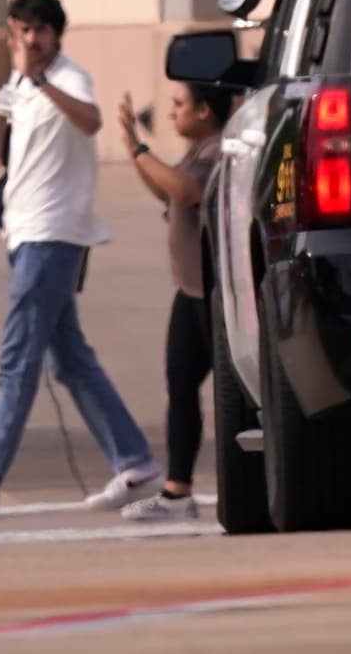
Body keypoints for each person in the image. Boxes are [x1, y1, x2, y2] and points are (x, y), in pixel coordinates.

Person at [0, 0, 162, 518]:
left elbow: (91, 120)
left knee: (17, 360)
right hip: (28, 235)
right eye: (20, 31)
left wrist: (39, 79)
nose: (29, 40)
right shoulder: (22, 82)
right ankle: (134, 463)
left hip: (53, 234)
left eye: (37, 30)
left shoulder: (66, 77)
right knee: (70, 360)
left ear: (56, 34)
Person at [115, 81, 232, 521]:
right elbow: (168, 192)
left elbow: (186, 192)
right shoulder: (197, 150)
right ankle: (176, 493)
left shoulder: (217, 150)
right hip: (190, 292)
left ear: (204, 111)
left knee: (230, 393)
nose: (172, 113)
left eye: (179, 105)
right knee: (180, 387)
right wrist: (132, 149)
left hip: (216, 297)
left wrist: (142, 150)